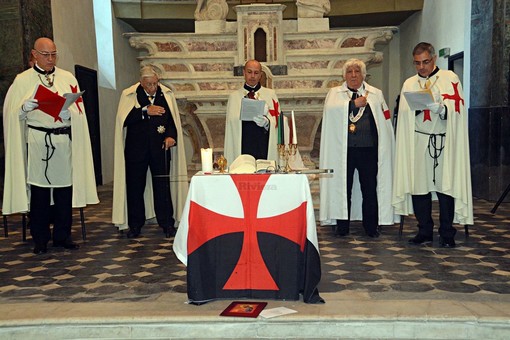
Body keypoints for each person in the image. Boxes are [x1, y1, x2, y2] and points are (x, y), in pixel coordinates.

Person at [2, 37, 98, 254]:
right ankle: (40, 239)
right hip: (38, 141)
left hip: (62, 141)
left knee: (64, 192)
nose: (51, 58)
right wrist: (23, 109)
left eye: (54, 54)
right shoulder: (22, 80)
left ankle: (62, 236)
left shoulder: (67, 77)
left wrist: (68, 112)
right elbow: (10, 113)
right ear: (35, 54)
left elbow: (80, 111)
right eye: (46, 55)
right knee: (40, 193)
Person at [392, 42, 473, 248]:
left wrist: (441, 109)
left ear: (434, 59)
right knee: (420, 186)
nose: (421, 67)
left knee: (445, 186)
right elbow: (403, 114)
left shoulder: (449, 78)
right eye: (417, 63)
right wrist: (417, 109)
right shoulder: (409, 83)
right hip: (419, 139)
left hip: (444, 140)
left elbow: (458, 109)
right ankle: (424, 230)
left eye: (425, 62)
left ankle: (447, 233)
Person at [319, 58, 395, 238]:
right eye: (349, 72)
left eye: (357, 71)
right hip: (343, 152)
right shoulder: (335, 93)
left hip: (368, 150)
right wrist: (352, 105)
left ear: (363, 74)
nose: (353, 75)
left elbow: (383, 120)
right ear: (344, 75)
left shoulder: (375, 94)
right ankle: (342, 225)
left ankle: (371, 226)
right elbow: (330, 112)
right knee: (342, 187)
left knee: (369, 188)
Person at [112, 65, 188, 239]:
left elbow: (172, 120)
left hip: (160, 149)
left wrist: (170, 136)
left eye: (155, 83)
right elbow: (123, 120)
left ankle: (167, 223)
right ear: (141, 82)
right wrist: (145, 111)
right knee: (135, 188)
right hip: (135, 150)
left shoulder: (166, 95)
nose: (153, 88)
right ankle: (135, 225)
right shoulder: (129, 95)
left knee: (162, 187)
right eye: (149, 85)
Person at [224, 59, 304, 170]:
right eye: (249, 72)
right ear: (244, 73)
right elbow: (231, 126)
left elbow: (278, 123)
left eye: (256, 73)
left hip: (263, 146)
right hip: (243, 146)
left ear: (261, 75)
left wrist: (267, 123)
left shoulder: (270, 94)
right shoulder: (234, 97)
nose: (252, 76)